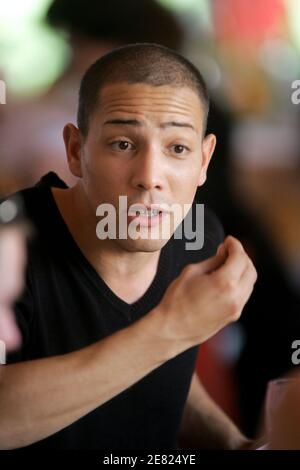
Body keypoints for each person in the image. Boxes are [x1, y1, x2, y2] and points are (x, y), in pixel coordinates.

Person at [0, 44, 257, 450]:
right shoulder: (9, 245)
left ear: (204, 160)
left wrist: (235, 443)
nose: (150, 177)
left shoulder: (197, 238)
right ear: (75, 151)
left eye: (178, 148)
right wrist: (172, 329)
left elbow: (159, 366)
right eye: (122, 144)